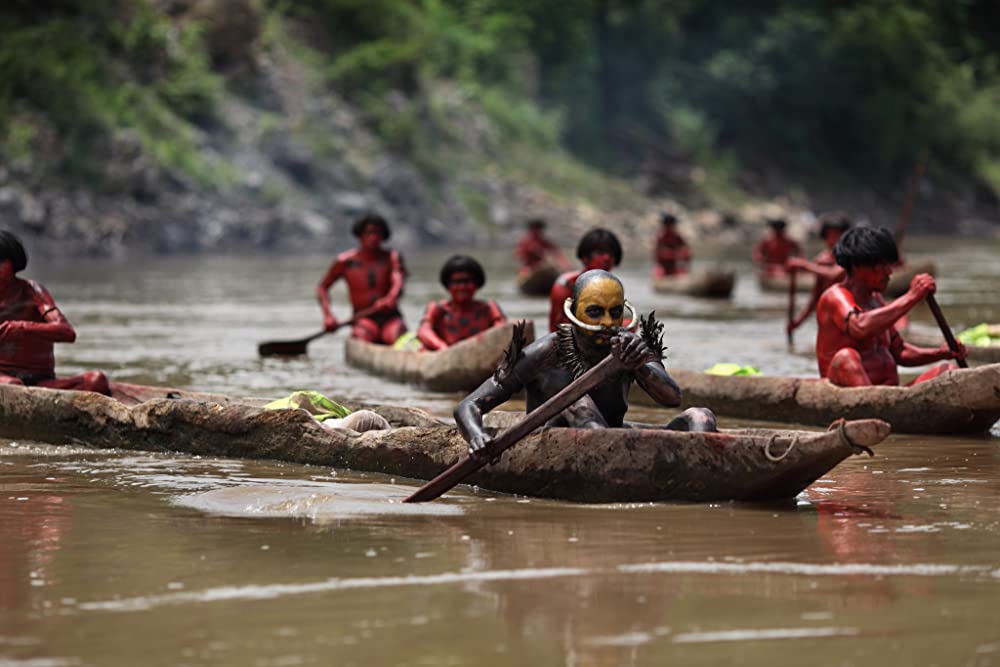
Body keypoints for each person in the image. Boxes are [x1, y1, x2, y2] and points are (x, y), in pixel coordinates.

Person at [456, 269, 716, 455]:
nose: (606, 322)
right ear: (574, 310)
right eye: (594, 312)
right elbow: (469, 405)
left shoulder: (631, 346)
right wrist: (477, 436)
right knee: (576, 401)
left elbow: (672, 398)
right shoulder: (545, 351)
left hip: (616, 441)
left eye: (614, 313)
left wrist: (639, 366)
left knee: (701, 417)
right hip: (551, 445)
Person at [815, 226, 966, 387]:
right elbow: (859, 327)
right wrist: (912, 296)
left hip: (889, 395)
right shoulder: (835, 296)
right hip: (852, 399)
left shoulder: (876, 300)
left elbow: (900, 352)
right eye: (881, 266)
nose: (889, 272)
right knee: (846, 357)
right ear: (856, 266)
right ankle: (872, 408)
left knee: (949, 370)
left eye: (889, 265)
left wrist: (941, 353)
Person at [0, 230, 109, 394]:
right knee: (12, 386)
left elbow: (67, 332)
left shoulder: (32, 291)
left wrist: (23, 328)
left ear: (13, 262)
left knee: (96, 381)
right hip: (5, 380)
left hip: (42, 383)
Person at [316, 213, 407, 345]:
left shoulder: (392, 257)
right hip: (363, 320)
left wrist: (391, 298)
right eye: (369, 233)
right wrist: (328, 316)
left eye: (378, 233)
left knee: (396, 336)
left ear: (383, 236)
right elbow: (322, 288)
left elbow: (398, 279)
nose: (374, 237)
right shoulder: (345, 261)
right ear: (359, 235)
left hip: (391, 318)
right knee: (363, 336)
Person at [416, 255, 506, 351]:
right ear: (448, 285)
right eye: (457, 282)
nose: (462, 287)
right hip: (444, 357)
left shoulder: (489, 308)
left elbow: (503, 329)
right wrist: (442, 347)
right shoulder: (437, 309)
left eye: (467, 281)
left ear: (476, 284)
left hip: (482, 354)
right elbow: (423, 331)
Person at [785, 211, 852, 336]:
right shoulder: (821, 260)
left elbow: (834, 274)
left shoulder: (853, 256)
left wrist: (804, 265)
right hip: (831, 315)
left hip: (852, 311)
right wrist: (798, 322)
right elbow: (816, 296)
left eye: (837, 236)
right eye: (829, 236)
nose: (833, 240)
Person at [549, 228, 622, 331]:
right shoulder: (566, 285)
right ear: (585, 257)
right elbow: (560, 328)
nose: (607, 258)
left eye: (611, 254)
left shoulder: (613, 287)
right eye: (600, 252)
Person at [652, 213, 692, 278]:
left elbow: (686, 251)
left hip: (675, 266)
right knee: (659, 274)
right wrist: (676, 254)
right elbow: (659, 254)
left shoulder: (677, 237)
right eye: (668, 224)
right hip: (664, 267)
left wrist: (685, 255)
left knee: (682, 272)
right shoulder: (661, 237)